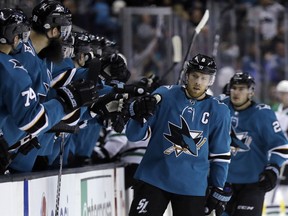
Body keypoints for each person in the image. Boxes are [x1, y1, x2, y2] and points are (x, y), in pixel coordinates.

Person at [125, 54, 232, 216]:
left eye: (204, 78)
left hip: (192, 186)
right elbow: (133, 135)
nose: (198, 82)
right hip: (154, 177)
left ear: (210, 80)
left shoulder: (219, 111)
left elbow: (221, 155)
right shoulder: (165, 95)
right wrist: (138, 112)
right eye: (195, 76)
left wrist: (217, 187)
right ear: (186, 75)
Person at [0, 8, 97, 173]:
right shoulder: (13, 67)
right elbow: (30, 119)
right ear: (15, 38)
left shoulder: (33, 63)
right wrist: (65, 103)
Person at [221, 72, 288, 216]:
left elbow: (281, 147)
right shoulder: (220, 108)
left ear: (251, 92)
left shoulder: (262, 114)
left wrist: (273, 167)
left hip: (252, 184)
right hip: (222, 183)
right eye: (234, 88)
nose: (236, 92)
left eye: (241, 89)